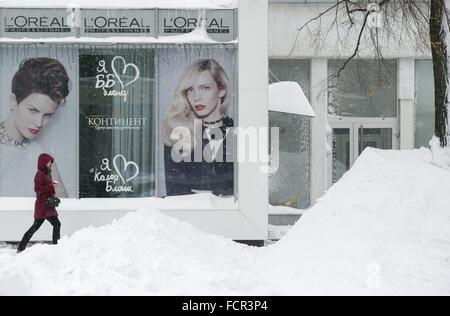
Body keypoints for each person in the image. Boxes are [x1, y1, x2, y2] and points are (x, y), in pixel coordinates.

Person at [162, 59, 234, 197]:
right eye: (190, 90)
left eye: (205, 88)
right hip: (188, 215)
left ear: (221, 90)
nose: (196, 97)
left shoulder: (237, 132)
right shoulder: (179, 130)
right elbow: (175, 191)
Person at [0, 57, 70, 198]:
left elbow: (64, 211)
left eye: (47, 115)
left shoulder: (41, 154)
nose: (39, 123)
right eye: (33, 110)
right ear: (14, 102)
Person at [17, 153, 61, 253]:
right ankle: (21, 247)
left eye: (50, 162)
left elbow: (46, 188)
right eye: (49, 161)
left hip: (48, 206)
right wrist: (51, 187)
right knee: (35, 227)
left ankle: (57, 246)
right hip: (42, 206)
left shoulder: (47, 173)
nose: (50, 163)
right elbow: (37, 189)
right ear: (44, 162)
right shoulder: (40, 174)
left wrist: (52, 187)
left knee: (56, 224)